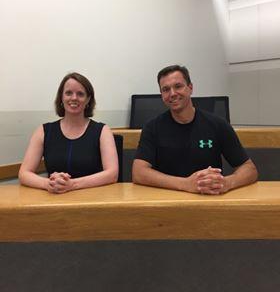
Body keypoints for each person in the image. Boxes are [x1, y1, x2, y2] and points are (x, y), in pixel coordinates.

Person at [132, 65, 258, 195]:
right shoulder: (152, 127)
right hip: (168, 199)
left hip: (209, 199)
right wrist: (185, 184)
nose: (172, 93)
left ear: (190, 88)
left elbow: (249, 169)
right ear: (162, 95)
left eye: (178, 86)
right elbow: (138, 173)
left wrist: (227, 182)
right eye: (165, 89)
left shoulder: (217, 124)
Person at [19, 72, 118, 193]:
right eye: (68, 93)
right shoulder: (43, 131)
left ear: (88, 99)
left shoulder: (102, 131)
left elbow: (112, 174)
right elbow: (24, 173)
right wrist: (48, 183)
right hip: (54, 200)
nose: (74, 98)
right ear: (61, 97)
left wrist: (72, 184)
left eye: (80, 94)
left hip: (92, 200)